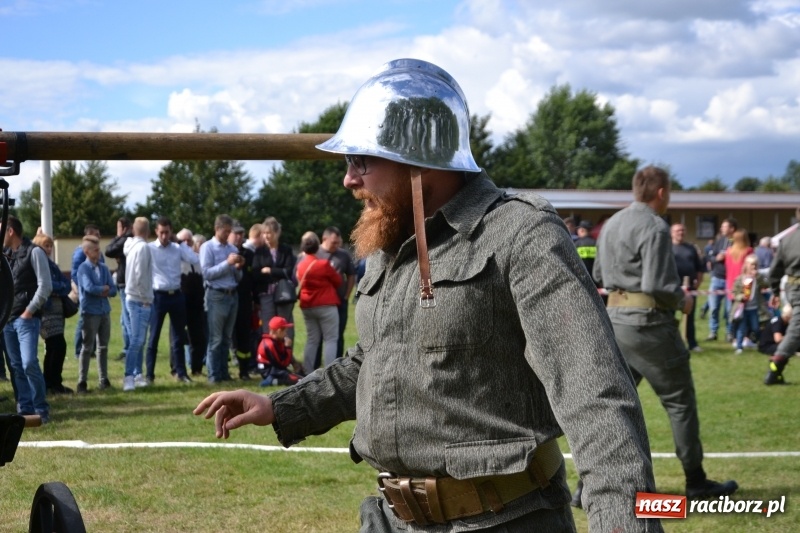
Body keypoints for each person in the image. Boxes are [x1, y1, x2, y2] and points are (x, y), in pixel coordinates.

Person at [195, 59, 661, 532]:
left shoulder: (520, 234)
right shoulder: (392, 241)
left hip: (502, 522)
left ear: (417, 161)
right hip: (394, 521)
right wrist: (282, 407)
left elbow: (596, 396)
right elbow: (376, 360)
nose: (348, 179)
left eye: (361, 161)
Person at [593, 165, 738, 503]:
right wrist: (683, 300)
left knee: (614, 407)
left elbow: (600, 273)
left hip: (615, 323)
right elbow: (658, 284)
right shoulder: (654, 226)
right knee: (679, 402)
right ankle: (696, 481)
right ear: (662, 193)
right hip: (650, 325)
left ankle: (590, 485)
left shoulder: (612, 224)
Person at [2, 215, 52, 423]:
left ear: (10, 231)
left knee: (29, 363)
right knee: (15, 366)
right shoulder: (5, 255)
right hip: (8, 321)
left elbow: (45, 285)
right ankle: (24, 410)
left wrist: (29, 311)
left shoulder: (35, 252)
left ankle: (40, 410)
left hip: (26, 319)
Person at [146, 216, 198, 384]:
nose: (164, 236)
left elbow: (194, 259)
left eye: (167, 232)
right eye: (161, 232)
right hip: (158, 295)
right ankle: (149, 375)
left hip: (176, 295)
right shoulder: (150, 248)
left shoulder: (177, 248)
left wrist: (181, 243)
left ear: (171, 232)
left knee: (178, 337)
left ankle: (181, 373)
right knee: (153, 337)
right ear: (156, 232)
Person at [200, 214, 244, 384]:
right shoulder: (207, 247)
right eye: (225, 231)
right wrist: (227, 263)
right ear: (216, 229)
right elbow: (207, 273)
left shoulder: (232, 248)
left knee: (227, 337)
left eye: (229, 231)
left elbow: (237, 277)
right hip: (216, 295)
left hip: (232, 294)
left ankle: (224, 373)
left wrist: (238, 267)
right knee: (216, 338)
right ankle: (213, 374)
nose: (227, 234)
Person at [32, 232, 73, 394]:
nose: (48, 249)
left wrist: (56, 288)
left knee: (55, 347)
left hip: (58, 311)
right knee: (57, 345)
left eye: (50, 246)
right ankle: (52, 382)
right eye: (45, 246)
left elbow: (66, 284)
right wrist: (56, 288)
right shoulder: (37, 263)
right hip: (46, 311)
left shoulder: (52, 264)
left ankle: (51, 382)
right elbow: (45, 285)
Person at [75, 235, 117, 393]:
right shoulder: (83, 269)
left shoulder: (104, 268)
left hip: (104, 311)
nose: (99, 252)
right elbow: (89, 288)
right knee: (87, 347)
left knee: (103, 347)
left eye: (99, 249)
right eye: (95, 250)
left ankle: (103, 379)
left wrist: (104, 290)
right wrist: (103, 289)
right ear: (86, 251)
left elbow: (113, 290)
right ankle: (82, 382)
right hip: (90, 312)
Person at [296, 231, 341, 371]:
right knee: (331, 339)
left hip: (307, 305)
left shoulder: (300, 265)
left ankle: (308, 371)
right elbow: (338, 281)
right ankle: (329, 372)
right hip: (326, 305)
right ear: (317, 248)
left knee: (312, 339)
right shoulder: (323, 264)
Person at [766, 208, 800, 385]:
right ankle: (776, 363)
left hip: (792, 287)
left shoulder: (786, 240)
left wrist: (775, 291)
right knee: (796, 328)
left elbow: (774, 271)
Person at [252, 217, 297, 343]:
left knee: (285, 326)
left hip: (284, 294)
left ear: (277, 233)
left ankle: (286, 357)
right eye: (264, 233)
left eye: (269, 233)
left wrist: (270, 271)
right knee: (268, 326)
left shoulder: (286, 250)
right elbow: (256, 274)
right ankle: (270, 356)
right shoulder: (259, 252)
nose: (266, 236)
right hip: (266, 294)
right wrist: (278, 271)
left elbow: (288, 271)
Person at [316, 226, 356, 361]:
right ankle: (314, 365)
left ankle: (337, 364)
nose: (336, 245)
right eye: (334, 242)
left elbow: (351, 275)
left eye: (338, 242)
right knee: (318, 335)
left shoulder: (343, 255)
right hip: (320, 302)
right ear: (324, 239)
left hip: (339, 301)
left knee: (338, 334)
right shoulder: (316, 253)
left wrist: (346, 295)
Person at [123, 217, 154, 392]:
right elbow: (140, 274)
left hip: (133, 297)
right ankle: (129, 376)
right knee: (136, 340)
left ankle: (136, 375)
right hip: (139, 299)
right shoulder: (143, 248)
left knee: (138, 340)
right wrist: (144, 298)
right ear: (148, 231)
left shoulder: (132, 246)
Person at [176, 228, 207, 377]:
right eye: (183, 241)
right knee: (177, 337)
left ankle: (196, 368)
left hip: (197, 302)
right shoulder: (175, 259)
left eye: (189, 240)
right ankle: (176, 368)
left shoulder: (198, 258)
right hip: (180, 301)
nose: (186, 244)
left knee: (198, 336)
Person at [228, 221, 257, 380]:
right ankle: (222, 371)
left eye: (241, 234)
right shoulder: (224, 253)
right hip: (226, 298)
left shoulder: (249, 254)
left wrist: (256, 301)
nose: (238, 237)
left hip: (245, 301)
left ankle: (244, 370)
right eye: (235, 233)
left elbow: (254, 280)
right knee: (226, 336)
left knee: (244, 336)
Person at [671, 223, 705, 352]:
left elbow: (700, 267)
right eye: (677, 230)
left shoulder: (690, 248)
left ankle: (692, 344)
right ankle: (672, 344)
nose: (680, 233)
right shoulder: (667, 248)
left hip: (689, 289)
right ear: (672, 233)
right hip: (672, 288)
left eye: (682, 230)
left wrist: (699, 282)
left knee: (689, 316)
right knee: (670, 317)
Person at [71, 223, 103, 359]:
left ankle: (91, 350)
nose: (99, 237)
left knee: (95, 321)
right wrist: (81, 289)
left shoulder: (98, 251)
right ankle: (79, 350)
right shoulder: (80, 253)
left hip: (97, 292)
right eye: (96, 234)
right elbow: (75, 273)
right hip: (85, 292)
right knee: (84, 320)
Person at [105, 217, 133, 361]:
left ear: (124, 228)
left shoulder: (125, 239)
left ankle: (130, 351)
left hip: (125, 283)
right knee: (124, 320)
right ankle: (127, 348)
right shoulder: (129, 240)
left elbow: (108, 250)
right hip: (126, 282)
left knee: (128, 319)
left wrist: (118, 236)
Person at [731, 254, 769, 355]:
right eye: (752, 264)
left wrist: (759, 276)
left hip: (754, 308)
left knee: (756, 327)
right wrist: (740, 297)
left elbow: (766, 285)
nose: (754, 267)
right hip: (743, 308)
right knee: (741, 328)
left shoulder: (758, 278)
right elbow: (734, 292)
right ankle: (739, 347)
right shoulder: (740, 279)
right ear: (746, 265)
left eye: (755, 264)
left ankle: (753, 340)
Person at [706, 218, 737, 341]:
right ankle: (713, 332)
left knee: (730, 310)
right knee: (713, 308)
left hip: (731, 281)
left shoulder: (737, 243)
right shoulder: (719, 241)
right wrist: (716, 258)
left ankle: (730, 333)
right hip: (717, 278)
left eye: (724, 226)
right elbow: (710, 257)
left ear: (732, 229)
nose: (721, 228)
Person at [256, 316, 304, 387]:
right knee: (298, 380)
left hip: (276, 369)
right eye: (285, 331)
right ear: (278, 331)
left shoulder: (277, 341)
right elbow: (282, 364)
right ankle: (270, 381)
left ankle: (274, 381)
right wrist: (288, 348)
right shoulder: (269, 344)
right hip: (269, 372)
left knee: (300, 376)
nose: (286, 334)